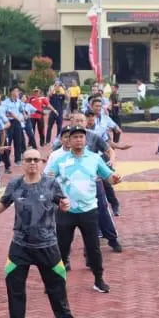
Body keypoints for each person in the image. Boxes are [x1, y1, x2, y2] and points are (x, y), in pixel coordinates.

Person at [0, 148, 78, 318]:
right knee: (14, 288)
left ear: (41, 163)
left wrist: (65, 205)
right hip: (20, 245)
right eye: (28, 160)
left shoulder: (51, 183)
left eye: (36, 159)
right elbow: (3, 204)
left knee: (57, 287)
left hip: (48, 245)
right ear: (23, 163)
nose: (33, 163)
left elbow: (63, 201)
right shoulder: (15, 184)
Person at [44, 126, 123, 294]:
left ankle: (98, 279)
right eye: (75, 137)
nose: (78, 139)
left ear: (85, 140)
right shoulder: (60, 160)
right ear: (69, 141)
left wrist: (114, 179)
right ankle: (56, 282)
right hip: (66, 211)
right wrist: (56, 200)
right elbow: (47, 182)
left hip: (89, 211)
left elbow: (108, 177)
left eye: (81, 136)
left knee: (93, 247)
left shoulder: (95, 158)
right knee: (61, 248)